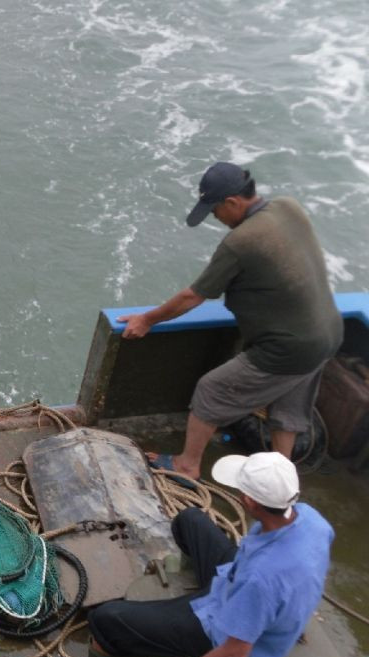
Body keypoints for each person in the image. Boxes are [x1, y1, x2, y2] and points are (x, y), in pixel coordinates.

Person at [51, 452, 333, 657]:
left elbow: (235, 655)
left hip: (223, 626)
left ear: (249, 501)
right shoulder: (311, 519)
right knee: (190, 520)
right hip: (233, 581)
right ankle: (221, 602)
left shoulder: (260, 579)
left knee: (105, 620)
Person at [117, 162, 343, 481]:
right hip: (326, 333)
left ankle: (186, 465)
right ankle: (278, 477)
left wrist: (147, 319)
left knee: (211, 390)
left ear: (232, 202)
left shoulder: (240, 242)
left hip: (287, 347)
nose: (215, 217)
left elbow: (193, 296)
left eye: (215, 210)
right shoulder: (287, 207)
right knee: (288, 407)